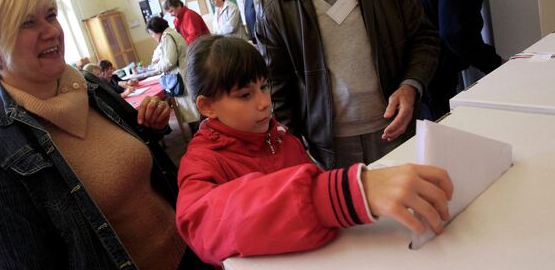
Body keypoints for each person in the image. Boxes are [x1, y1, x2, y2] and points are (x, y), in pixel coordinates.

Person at [0, 0, 209, 269]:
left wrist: (149, 130)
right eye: (26, 23)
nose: (51, 31)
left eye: (50, 15)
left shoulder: (89, 87)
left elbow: (129, 167)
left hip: (194, 250)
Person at [175, 35, 453, 266]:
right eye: (245, 95)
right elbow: (202, 223)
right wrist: (342, 193)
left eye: (264, 87)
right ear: (207, 106)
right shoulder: (201, 160)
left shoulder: (282, 138)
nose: (263, 103)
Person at [255, 0, 440, 170]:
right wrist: (296, 152)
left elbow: (424, 39)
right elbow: (278, 90)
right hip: (330, 150)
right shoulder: (274, 5)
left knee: (415, 207)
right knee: (351, 213)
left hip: (399, 129)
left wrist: (411, 86)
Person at [147, 16, 201, 133]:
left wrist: (157, 66)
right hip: (184, 74)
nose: (152, 37)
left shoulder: (167, 37)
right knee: (192, 110)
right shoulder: (169, 34)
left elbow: (169, 61)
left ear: (156, 31)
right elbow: (156, 56)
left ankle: (199, 136)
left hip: (181, 77)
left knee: (192, 113)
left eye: (151, 34)